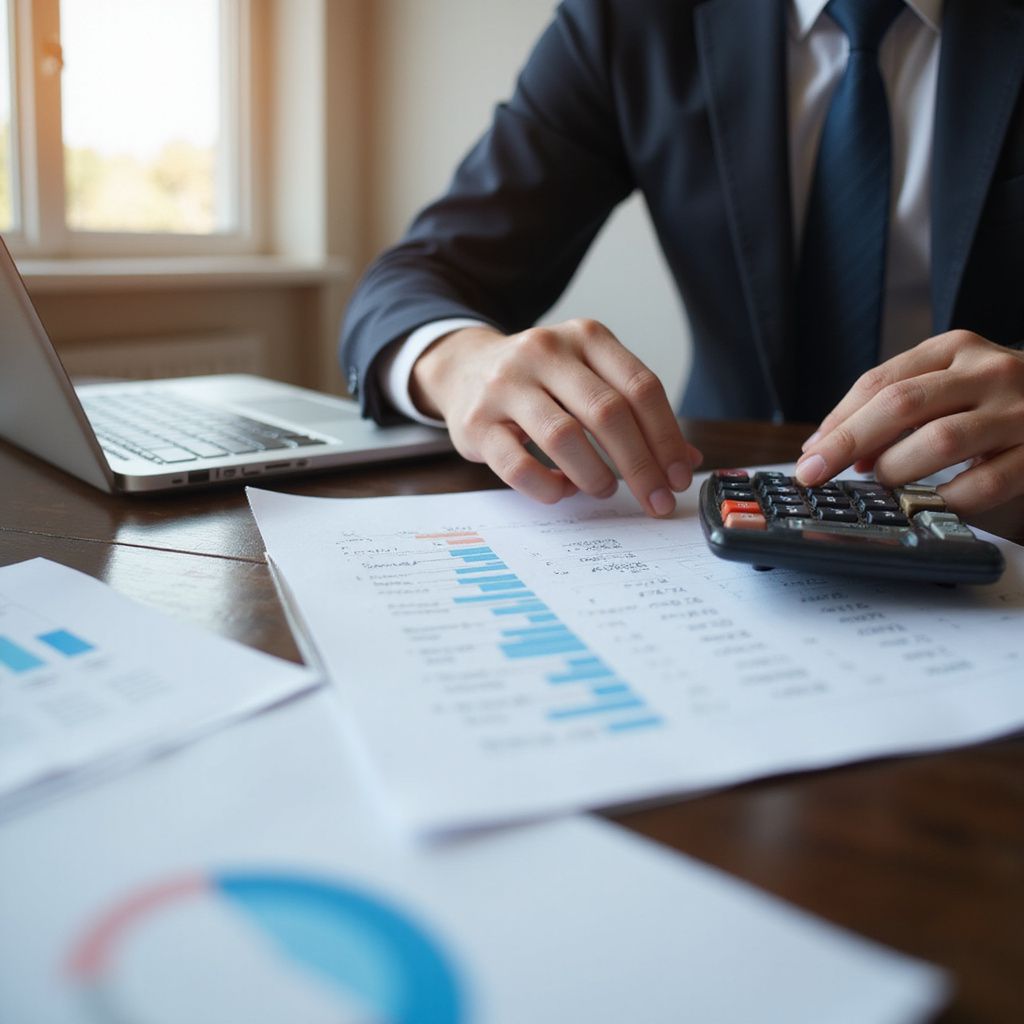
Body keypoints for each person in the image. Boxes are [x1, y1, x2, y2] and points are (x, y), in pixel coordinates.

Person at [341, 0, 1024, 519]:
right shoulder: (632, 19)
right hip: (711, 502)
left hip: (997, 511)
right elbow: (413, 279)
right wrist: (460, 362)